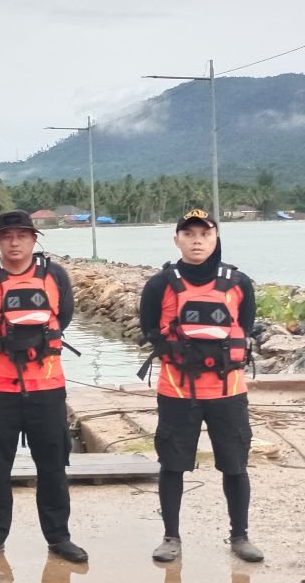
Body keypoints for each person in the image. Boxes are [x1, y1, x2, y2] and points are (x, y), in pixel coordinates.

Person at [0, 210, 87, 564]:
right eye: (7, 237)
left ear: (34, 239)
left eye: (22, 236)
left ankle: (59, 537)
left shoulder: (54, 275)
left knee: (53, 465)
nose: (14, 243)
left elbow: (64, 317)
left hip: (46, 386)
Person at [138, 209, 263, 564]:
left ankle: (240, 536)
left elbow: (246, 326)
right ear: (176, 239)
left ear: (216, 238)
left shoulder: (239, 283)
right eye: (189, 233)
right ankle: (171, 537)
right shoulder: (160, 284)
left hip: (229, 392)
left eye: (205, 234)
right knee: (172, 465)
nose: (197, 240)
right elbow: (149, 328)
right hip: (177, 392)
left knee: (236, 465)